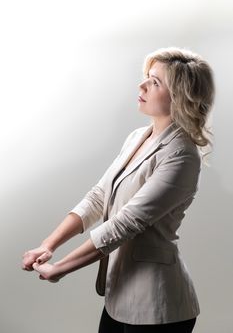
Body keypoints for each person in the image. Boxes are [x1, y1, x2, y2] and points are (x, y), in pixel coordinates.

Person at [22, 46, 215, 333]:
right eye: (147, 77)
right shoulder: (138, 136)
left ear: (181, 96)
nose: (142, 85)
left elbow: (127, 223)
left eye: (155, 82)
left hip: (158, 306)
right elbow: (98, 197)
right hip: (119, 295)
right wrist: (48, 245)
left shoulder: (183, 154)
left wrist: (60, 268)